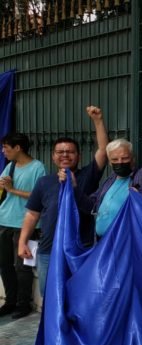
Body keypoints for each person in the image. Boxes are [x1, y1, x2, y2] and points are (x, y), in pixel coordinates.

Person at [17, 106, 109, 298]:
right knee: (49, 297)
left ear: (78, 156)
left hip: (80, 249)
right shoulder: (44, 182)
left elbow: (103, 150)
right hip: (48, 250)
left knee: (79, 296)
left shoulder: (87, 176)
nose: (65, 155)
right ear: (53, 156)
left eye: (70, 152)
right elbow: (32, 214)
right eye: (60, 152)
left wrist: (98, 121)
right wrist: (22, 241)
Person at [75, 113, 142, 238]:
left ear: (132, 159)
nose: (120, 162)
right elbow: (91, 205)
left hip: (130, 243)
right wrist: (73, 188)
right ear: (110, 163)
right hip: (103, 244)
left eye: (124, 158)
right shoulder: (109, 181)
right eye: (115, 159)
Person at [0, 133, 46, 319]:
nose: (3, 152)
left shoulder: (37, 168)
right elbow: (3, 191)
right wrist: (4, 187)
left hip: (25, 224)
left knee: (23, 266)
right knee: (4, 265)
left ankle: (23, 303)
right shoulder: (9, 166)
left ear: (18, 148)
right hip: (4, 220)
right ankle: (10, 302)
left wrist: (12, 189)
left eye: (6, 148)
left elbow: (39, 196)